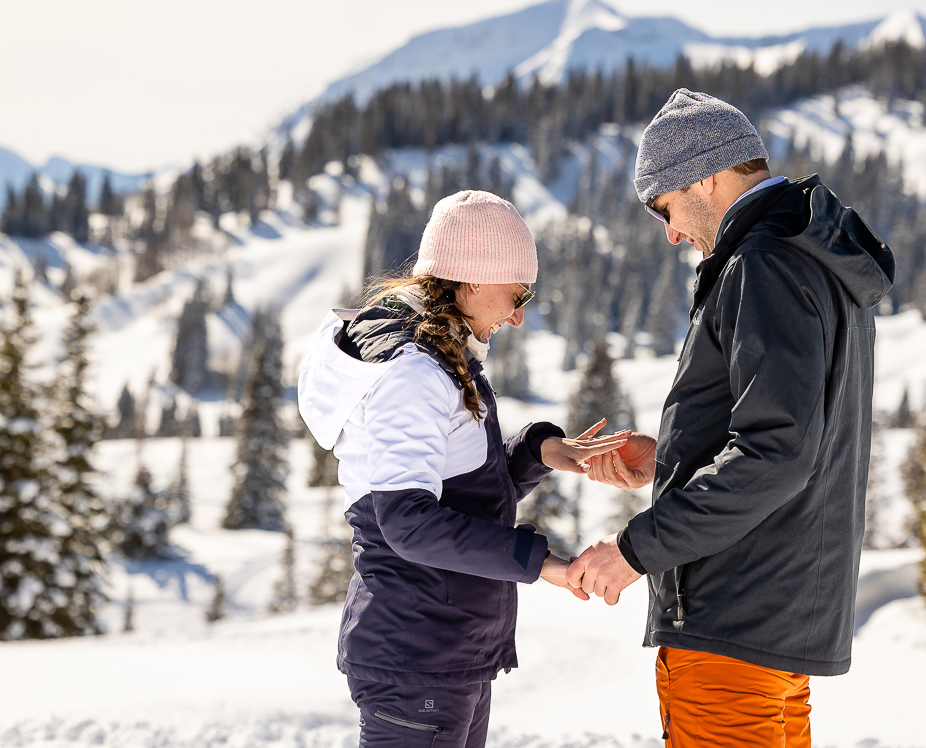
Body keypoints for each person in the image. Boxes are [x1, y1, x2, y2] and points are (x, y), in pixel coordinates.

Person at [567, 89, 895, 747]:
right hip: (778, 618)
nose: (671, 232)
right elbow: (803, 434)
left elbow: (777, 451)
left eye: (667, 206)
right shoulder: (814, 258)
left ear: (707, 177)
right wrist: (672, 459)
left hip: (731, 620)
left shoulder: (763, 264)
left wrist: (635, 550)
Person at [297, 189, 627, 748]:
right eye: (517, 294)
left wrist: (541, 451)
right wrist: (543, 563)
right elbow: (410, 523)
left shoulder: (445, 360)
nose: (519, 315)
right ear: (472, 279)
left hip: (448, 655)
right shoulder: (413, 374)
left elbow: (462, 496)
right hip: (416, 660)